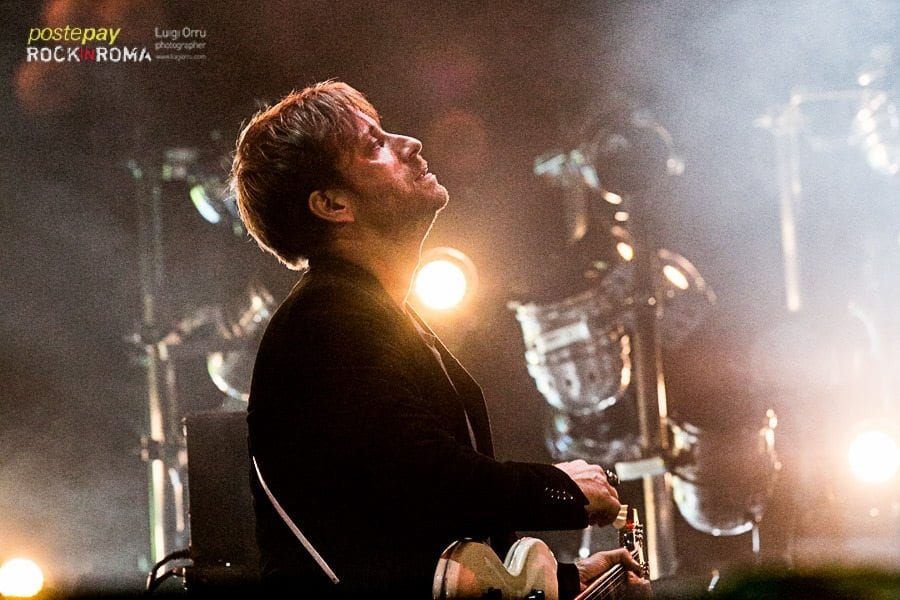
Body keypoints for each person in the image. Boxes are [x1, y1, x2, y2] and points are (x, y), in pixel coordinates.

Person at [231, 80, 650, 598]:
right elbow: (424, 478)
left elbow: (404, 532)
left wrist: (565, 581)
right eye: (375, 144)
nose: (410, 144)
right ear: (333, 203)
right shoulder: (327, 319)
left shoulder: (372, 313)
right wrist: (563, 490)